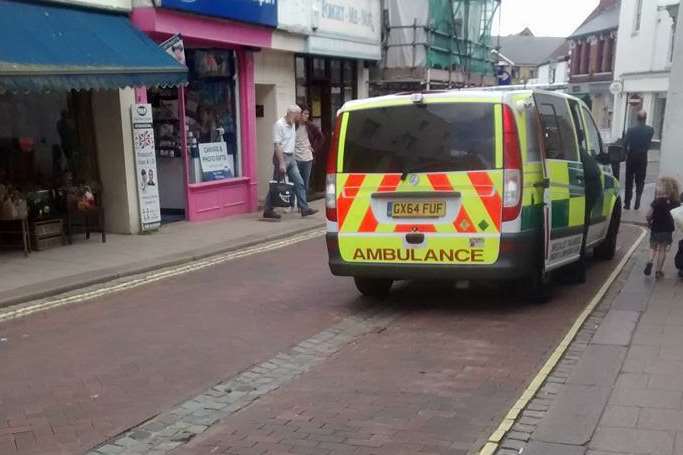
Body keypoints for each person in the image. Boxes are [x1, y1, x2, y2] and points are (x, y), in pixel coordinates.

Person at [263, 105, 318, 220]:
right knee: (276, 184)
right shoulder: (279, 125)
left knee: (299, 182)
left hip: (291, 157)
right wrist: (282, 163)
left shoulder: (293, 123)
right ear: (292, 113)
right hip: (281, 157)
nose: (300, 116)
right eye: (299, 114)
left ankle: (304, 208)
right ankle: (268, 210)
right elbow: (277, 145)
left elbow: (309, 130)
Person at [644, 177, 681, 279]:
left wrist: (648, 221)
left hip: (655, 228)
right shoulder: (675, 202)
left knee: (653, 248)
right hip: (667, 230)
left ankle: (650, 261)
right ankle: (658, 271)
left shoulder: (656, 201)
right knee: (662, 250)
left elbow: (648, 215)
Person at [622, 111, 655, 210]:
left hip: (632, 156)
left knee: (629, 180)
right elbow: (649, 143)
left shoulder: (631, 130)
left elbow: (624, 144)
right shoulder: (650, 130)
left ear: (637, 118)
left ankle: (627, 203)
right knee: (640, 180)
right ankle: (637, 201)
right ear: (645, 118)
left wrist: (626, 153)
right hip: (643, 157)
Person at [294, 105, 325, 196]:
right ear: (299, 114)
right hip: (295, 158)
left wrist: (314, 148)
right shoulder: (293, 126)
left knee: (305, 183)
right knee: (296, 182)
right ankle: (296, 204)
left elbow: (321, 137)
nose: (307, 116)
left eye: (308, 114)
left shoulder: (310, 126)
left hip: (307, 158)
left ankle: (303, 205)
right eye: (305, 113)